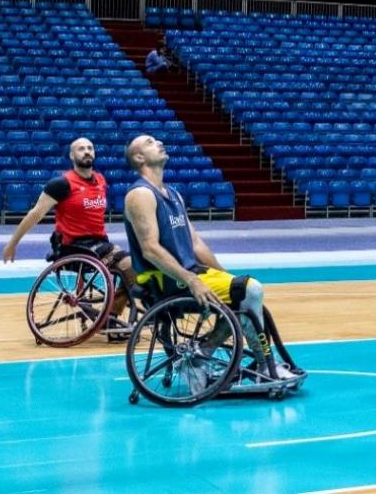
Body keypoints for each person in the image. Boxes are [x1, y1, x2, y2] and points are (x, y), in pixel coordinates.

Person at [122, 134, 296, 379]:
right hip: (166, 280)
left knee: (243, 292)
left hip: (188, 274)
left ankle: (201, 354)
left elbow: (195, 243)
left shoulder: (173, 194)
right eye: (150, 143)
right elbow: (150, 249)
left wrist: (226, 277)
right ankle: (264, 365)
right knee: (251, 291)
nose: (160, 142)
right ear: (139, 158)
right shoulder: (140, 195)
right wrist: (192, 281)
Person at [2, 137, 136, 320]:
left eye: (90, 148)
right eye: (81, 149)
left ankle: (110, 315)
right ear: (72, 155)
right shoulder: (61, 184)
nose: (87, 151)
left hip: (100, 244)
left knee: (137, 268)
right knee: (131, 266)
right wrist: (12, 243)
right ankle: (110, 317)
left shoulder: (100, 180)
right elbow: (35, 214)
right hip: (74, 246)